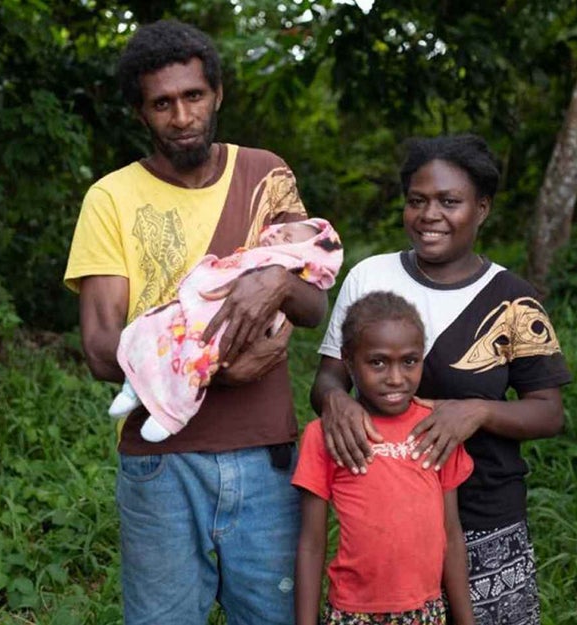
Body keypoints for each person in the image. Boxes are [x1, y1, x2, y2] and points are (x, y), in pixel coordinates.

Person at [63, 19, 329, 623]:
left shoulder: (265, 174)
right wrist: (210, 373)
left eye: (193, 96)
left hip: (266, 457)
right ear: (140, 112)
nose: (181, 116)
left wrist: (278, 281)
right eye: (162, 103)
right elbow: (103, 350)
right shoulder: (111, 198)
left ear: (217, 95)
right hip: (160, 467)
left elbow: (314, 307)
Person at [310, 134, 569, 625]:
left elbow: (548, 411)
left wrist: (479, 410)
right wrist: (335, 403)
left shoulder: (513, 299)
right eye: (417, 200)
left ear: (482, 208)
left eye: (450, 201)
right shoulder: (370, 277)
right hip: (389, 527)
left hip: (484, 518)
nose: (430, 214)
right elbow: (327, 381)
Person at [294, 291, 474, 625]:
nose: (395, 378)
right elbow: (311, 543)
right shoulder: (326, 435)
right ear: (348, 360)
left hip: (425, 610)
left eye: (409, 361)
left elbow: (450, 533)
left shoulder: (436, 428)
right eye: (377, 362)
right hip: (352, 612)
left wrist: (466, 621)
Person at [110, 218, 341, 443]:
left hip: (222, 326)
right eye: (281, 231)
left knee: (195, 357)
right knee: (151, 325)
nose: (278, 235)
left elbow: (313, 312)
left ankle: (169, 415)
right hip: (196, 306)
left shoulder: (289, 265)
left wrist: (281, 282)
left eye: (288, 237)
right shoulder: (257, 251)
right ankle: (133, 389)